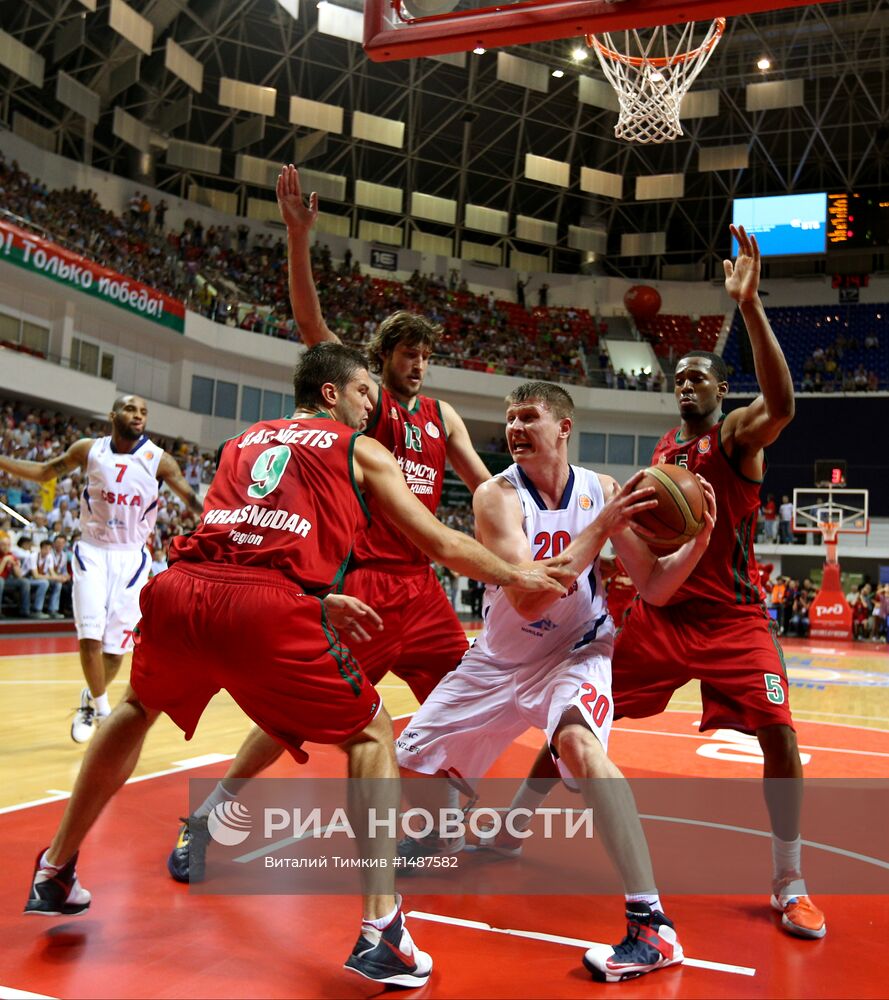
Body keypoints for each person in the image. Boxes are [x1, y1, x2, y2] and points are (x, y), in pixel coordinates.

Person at [22, 344, 568, 989]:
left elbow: (242, 533)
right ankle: (382, 929)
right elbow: (442, 542)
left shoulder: (243, 440)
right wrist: (517, 573)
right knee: (370, 734)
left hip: (186, 589)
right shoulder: (362, 449)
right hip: (271, 609)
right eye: (364, 392)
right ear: (333, 394)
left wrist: (311, 593)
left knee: (138, 709)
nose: (373, 403)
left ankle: (55, 869)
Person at [487, 225, 825, 942]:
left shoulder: (735, 435)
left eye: (697, 375)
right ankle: (514, 821)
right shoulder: (664, 455)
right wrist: (617, 556)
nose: (684, 384)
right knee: (574, 716)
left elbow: (784, 406)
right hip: (661, 616)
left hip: (734, 620)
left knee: (779, 736)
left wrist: (751, 307)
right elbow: (642, 539)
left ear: (719, 386)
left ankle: (788, 879)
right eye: (678, 378)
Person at [164, 165, 495, 882]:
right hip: (365, 586)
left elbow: (486, 487)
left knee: (467, 702)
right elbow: (313, 331)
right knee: (291, 717)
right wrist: (298, 240)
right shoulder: (368, 407)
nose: (419, 364)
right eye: (407, 353)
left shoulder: (444, 417)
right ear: (377, 364)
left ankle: (442, 819)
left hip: (426, 592)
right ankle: (212, 812)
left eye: (426, 353)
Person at [395, 380, 715, 983]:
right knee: (407, 762)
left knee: (579, 745)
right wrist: (599, 529)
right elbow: (524, 596)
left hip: (576, 650)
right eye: (510, 419)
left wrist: (696, 543)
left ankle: (652, 924)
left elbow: (654, 586)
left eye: (529, 417)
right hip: (496, 659)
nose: (514, 428)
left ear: (563, 428)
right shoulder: (497, 496)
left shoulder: (601, 491)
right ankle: (447, 831)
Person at [0, 396, 203, 742]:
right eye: (130, 410)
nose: (138, 416)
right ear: (113, 415)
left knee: (114, 650)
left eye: (143, 412)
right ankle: (103, 711)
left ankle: (90, 700)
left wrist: (228, 520)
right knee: (89, 637)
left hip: (131, 559)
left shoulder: (159, 460)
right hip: (92, 551)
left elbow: (193, 501)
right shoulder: (88, 450)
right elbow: (45, 471)